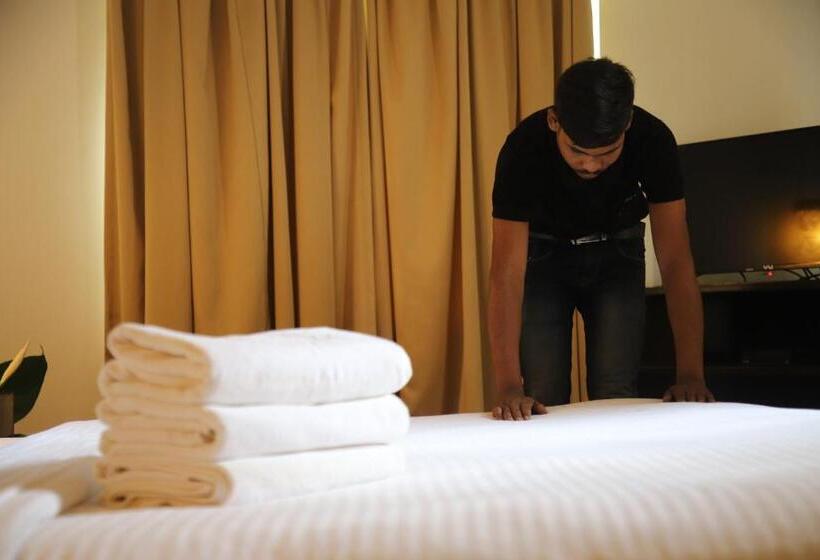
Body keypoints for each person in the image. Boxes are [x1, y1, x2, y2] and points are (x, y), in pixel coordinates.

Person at [488, 58, 714, 421]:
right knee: (543, 394)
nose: (591, 165)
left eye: (607, 153)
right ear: (554, 121)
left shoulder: (654, 140)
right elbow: (506, 274)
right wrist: (509, 387)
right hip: (543, 255)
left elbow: (675, 260)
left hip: (617, 252)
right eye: (577, 151)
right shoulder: (523, 147)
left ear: (627, 124)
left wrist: (691, 375)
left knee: (615, 393)